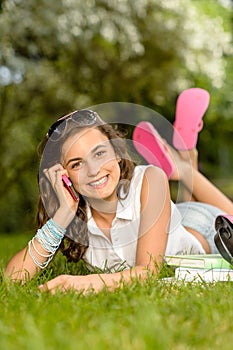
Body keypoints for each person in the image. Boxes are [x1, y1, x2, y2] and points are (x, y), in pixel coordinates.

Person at [5, 108, 233, 293]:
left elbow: (148, 272)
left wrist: (82, 283)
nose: (93, 170)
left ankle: (183, 167)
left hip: (205, 231)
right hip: (171, 219)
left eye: (99, 153)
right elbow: (12, 280)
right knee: (179, 207)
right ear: (63, 176)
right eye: (77, 164)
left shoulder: (151, 179)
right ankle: (186, 157)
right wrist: (61, 216)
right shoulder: (76, 219)